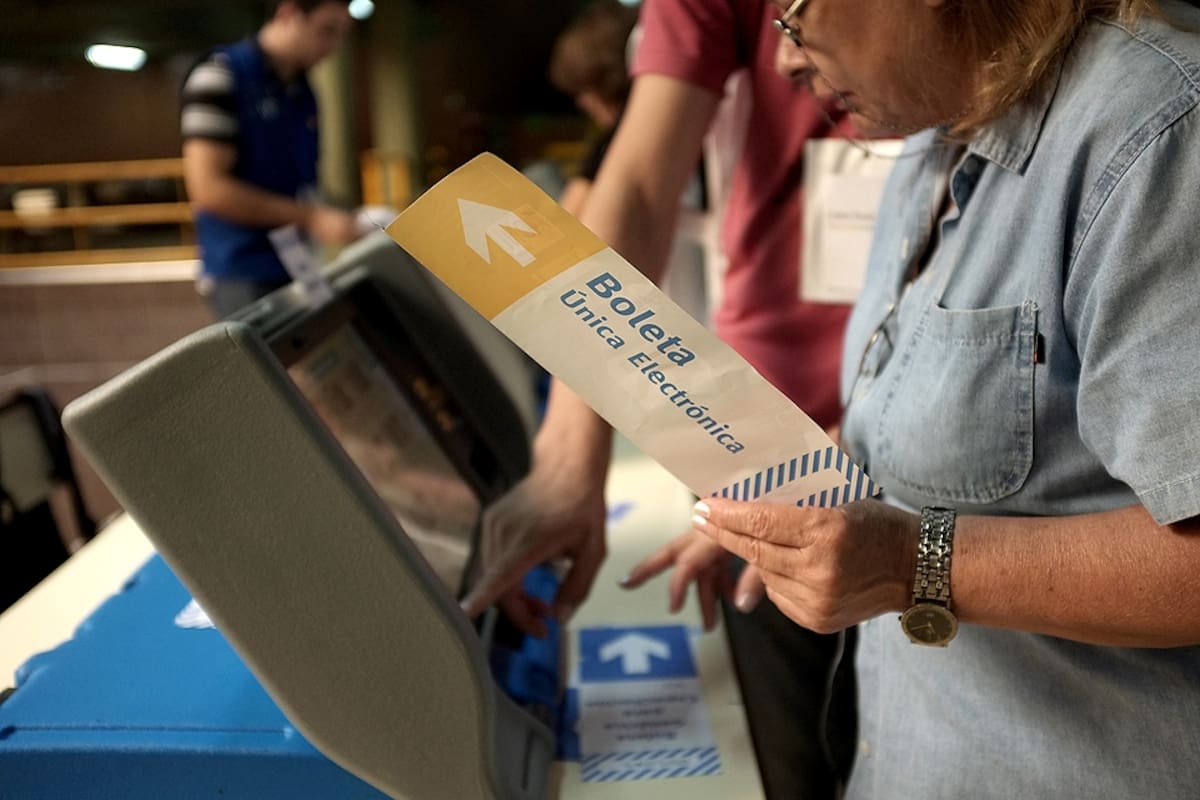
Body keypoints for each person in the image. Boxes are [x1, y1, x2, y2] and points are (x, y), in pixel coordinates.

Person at [681, 1, 1200, 798]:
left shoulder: (1156, 135)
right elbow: (937, 418)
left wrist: (908, 565)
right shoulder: (931, 136)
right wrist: (790, 498)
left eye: (790, 15)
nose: (783, 62)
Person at [462, 1, 858, 796]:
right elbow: (639, 186)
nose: (787, 61)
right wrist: (571, 458)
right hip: (762, 433)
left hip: (941, 405)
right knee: (796, 748)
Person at [180, 0, 361, 319]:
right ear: (288, 13)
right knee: (260, 364)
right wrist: (312, 217)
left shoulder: (301, 89)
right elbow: (208, 188)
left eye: (341, 35)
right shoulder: (219, 76)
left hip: (298, 260)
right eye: (326, 31)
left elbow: (303, 179)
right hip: (243, 267)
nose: (333, 47)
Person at [546, 0, 641, 218]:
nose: (582, 103)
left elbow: (570, 219)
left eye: (584, 92)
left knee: (541, 174)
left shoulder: (617, 139)